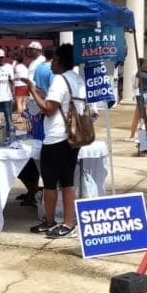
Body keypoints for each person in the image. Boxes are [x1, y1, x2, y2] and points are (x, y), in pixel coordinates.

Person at [26, 43, 86, 238]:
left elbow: (49, 108)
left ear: (59, 61)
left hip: (56, 137)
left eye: (53, 60)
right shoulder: (77, 79)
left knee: (50, 182)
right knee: (68, 180)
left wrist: (32, 90)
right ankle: (68, 222)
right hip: (74, 136)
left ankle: (50, 221)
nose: (50, 64)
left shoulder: (59, 80)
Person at [128, 58, 147, 139]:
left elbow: (136, 85)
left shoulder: (139, 73)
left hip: (142, 95)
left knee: (136, 117)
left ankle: (132, 135)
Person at [0, 48, 15, 138]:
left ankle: (9, 136)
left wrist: (13, 91)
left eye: (2, 58)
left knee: (9, 118)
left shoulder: (8, 67)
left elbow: (12, 80)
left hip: (7, 97)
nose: (1, 59)